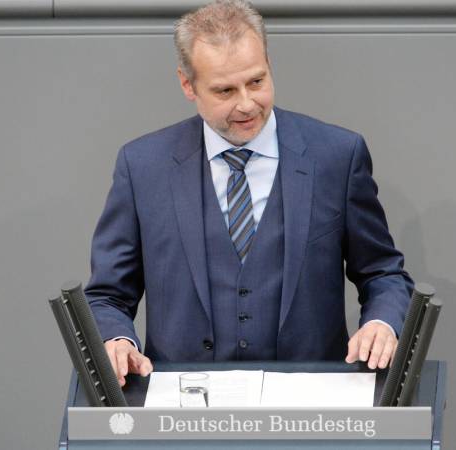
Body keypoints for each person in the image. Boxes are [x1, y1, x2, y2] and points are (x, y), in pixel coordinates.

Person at [85, 0, 413, 387]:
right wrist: (116, 339)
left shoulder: (337, 156)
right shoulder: (142, 166)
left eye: (256, 81)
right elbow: (107, 294)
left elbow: (383, 273)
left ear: (269, 64)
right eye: (225, 90)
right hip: (182, 406)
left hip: (311, 401)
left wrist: (382, 323)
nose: (246, 103)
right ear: (188, 84)